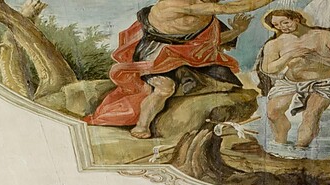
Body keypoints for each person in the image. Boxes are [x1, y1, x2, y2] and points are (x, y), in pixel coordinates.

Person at [87, 0, 272, 140]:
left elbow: (212, 41)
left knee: (227, 84)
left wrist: (237, 30)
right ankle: (142, 125)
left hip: (189, 57)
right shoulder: (175, 4)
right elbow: (231, 8)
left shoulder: (205, 11)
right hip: (157, 54)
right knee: (164, 88)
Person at [256, 10, 330, 150]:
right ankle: (279, 145)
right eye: (276, 25)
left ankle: (301, 150)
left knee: (311, 113)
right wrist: (288, 56)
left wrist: (320, 59)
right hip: (291, 82)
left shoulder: (327, 36)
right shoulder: (275, 44)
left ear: (297, 19)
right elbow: (267, 69)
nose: (282, 27)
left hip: (327, 82)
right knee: (273, 112)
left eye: (285, 22)